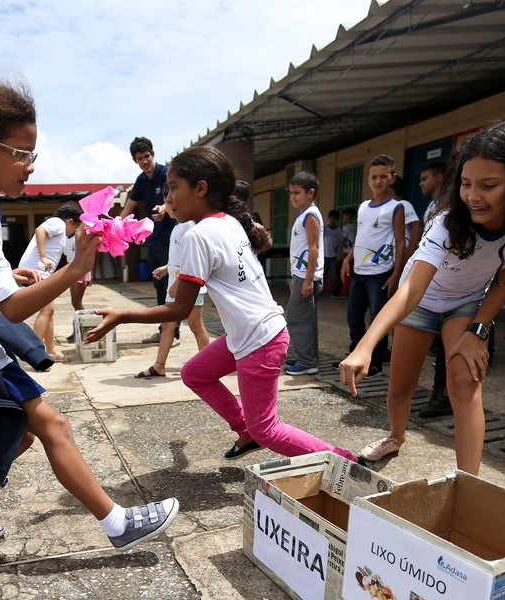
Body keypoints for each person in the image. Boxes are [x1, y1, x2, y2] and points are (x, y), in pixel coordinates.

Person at [0, 81, 178, 547]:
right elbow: (9, 310)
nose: (31, 166)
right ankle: (117, 525)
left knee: (23, 433)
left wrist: (7, 273)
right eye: (22, 153)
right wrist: (77, 267)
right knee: (53, 425)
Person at [84, 145, 360, 464]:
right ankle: (245, 430)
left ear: (201, 189)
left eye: (174, 188)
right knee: (195, 373)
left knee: (268, 430)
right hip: (254, 332)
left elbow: (178, 310)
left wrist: (123, 315)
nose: (168, 198)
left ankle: (345, 462)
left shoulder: (200, 235)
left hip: (259, 340)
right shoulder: (226, 221)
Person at [340, 120, 505, 474]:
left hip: (467, 302)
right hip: (422, 302)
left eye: (489, 186)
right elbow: (412, 288)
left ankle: (468, 483)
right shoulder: (446, 223)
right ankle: (395, 436)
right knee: (399, 391)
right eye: (466, 184)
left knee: (465, 386)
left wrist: (478, 331)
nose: (473, 196)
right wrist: (366, 344)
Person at [340, 155, 406, 377]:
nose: (378, 181)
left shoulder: (396, 208)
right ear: (368, 180)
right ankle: (356, 356)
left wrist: (396, 274)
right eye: (374, 177)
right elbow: (362, 237)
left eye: (383, 177)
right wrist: (348, 258)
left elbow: (400, 242)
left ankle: (375, 361)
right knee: (353, 317)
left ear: (392, 178)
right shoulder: (363, 207)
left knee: (378, 318)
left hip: (380, 273)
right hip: (359, 272)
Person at [138, 186, 211, 379]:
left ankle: (210, 366)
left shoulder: (189, 226)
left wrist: (176, 283)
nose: (169, 207)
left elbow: (192, 260)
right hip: (177, 282)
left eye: (171, 203)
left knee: (196, 325)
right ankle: (159, 365)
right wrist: (166, 268)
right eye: (167, 202)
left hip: (188, 285)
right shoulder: (178, 227)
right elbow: (180, 258)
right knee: (168, 325)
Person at [120, 137, 178, 345]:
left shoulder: (167, 173)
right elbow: (130, 205)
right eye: (140, 158)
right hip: (153, 240)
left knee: (173, 285)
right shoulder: (141, 180)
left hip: (171, 238)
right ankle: (164, 330)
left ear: (153, 153)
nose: (144, 161)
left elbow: (172, 197)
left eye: (147, 156)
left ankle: (173, 332)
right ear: (135, 161)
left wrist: (164, 207)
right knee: (159, 286)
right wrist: (118, 223)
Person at [19, 203, 81, 362]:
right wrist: (43, 256)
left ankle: (51, 350)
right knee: (47, 309)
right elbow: (40, 230)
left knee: (49, 310)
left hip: (39, 272)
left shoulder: (61, 232)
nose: (74, 231)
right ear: (70, 221)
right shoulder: (58, 223)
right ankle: (35, 352)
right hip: (35, 271)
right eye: (76, 226)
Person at [416, 163, 454, 418]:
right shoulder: (433, 207)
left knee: (449, 349)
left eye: (425, 178)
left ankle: (443, 396)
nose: (420, 183)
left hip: (455, 288)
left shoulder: (453, 206)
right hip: (431, 281)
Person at [284, 171, 325, 376]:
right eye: (291, 193)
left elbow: (313, 248)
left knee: (297, 318)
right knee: (304, 318)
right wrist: (297, 277)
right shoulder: (304, 215)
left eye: (297, 192)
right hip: (301, 275)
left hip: (308, 276)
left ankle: (308, 362)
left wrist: (308, 279)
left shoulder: (310, 215)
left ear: (311, 193)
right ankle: (307, 358)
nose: (293, 196)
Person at [62, 227, 92, 344]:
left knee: (77, 302)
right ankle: (78, 331)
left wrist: (87, 273)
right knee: (74, 302)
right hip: (72, 269)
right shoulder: (67, 236)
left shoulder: (78, 235)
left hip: (80, 269)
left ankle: (87, 329)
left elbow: (87, 253)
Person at [323, 209, 343, 296]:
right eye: (331, 218)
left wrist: (339, 254)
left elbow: (340, 243)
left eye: (334, 218)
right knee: (322, 274)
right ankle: (321, 290)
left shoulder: (339, 230)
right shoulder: (324, 229)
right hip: (324, 255)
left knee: (334, 275)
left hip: (333, 256)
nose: (333, 220)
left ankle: (335, 291)